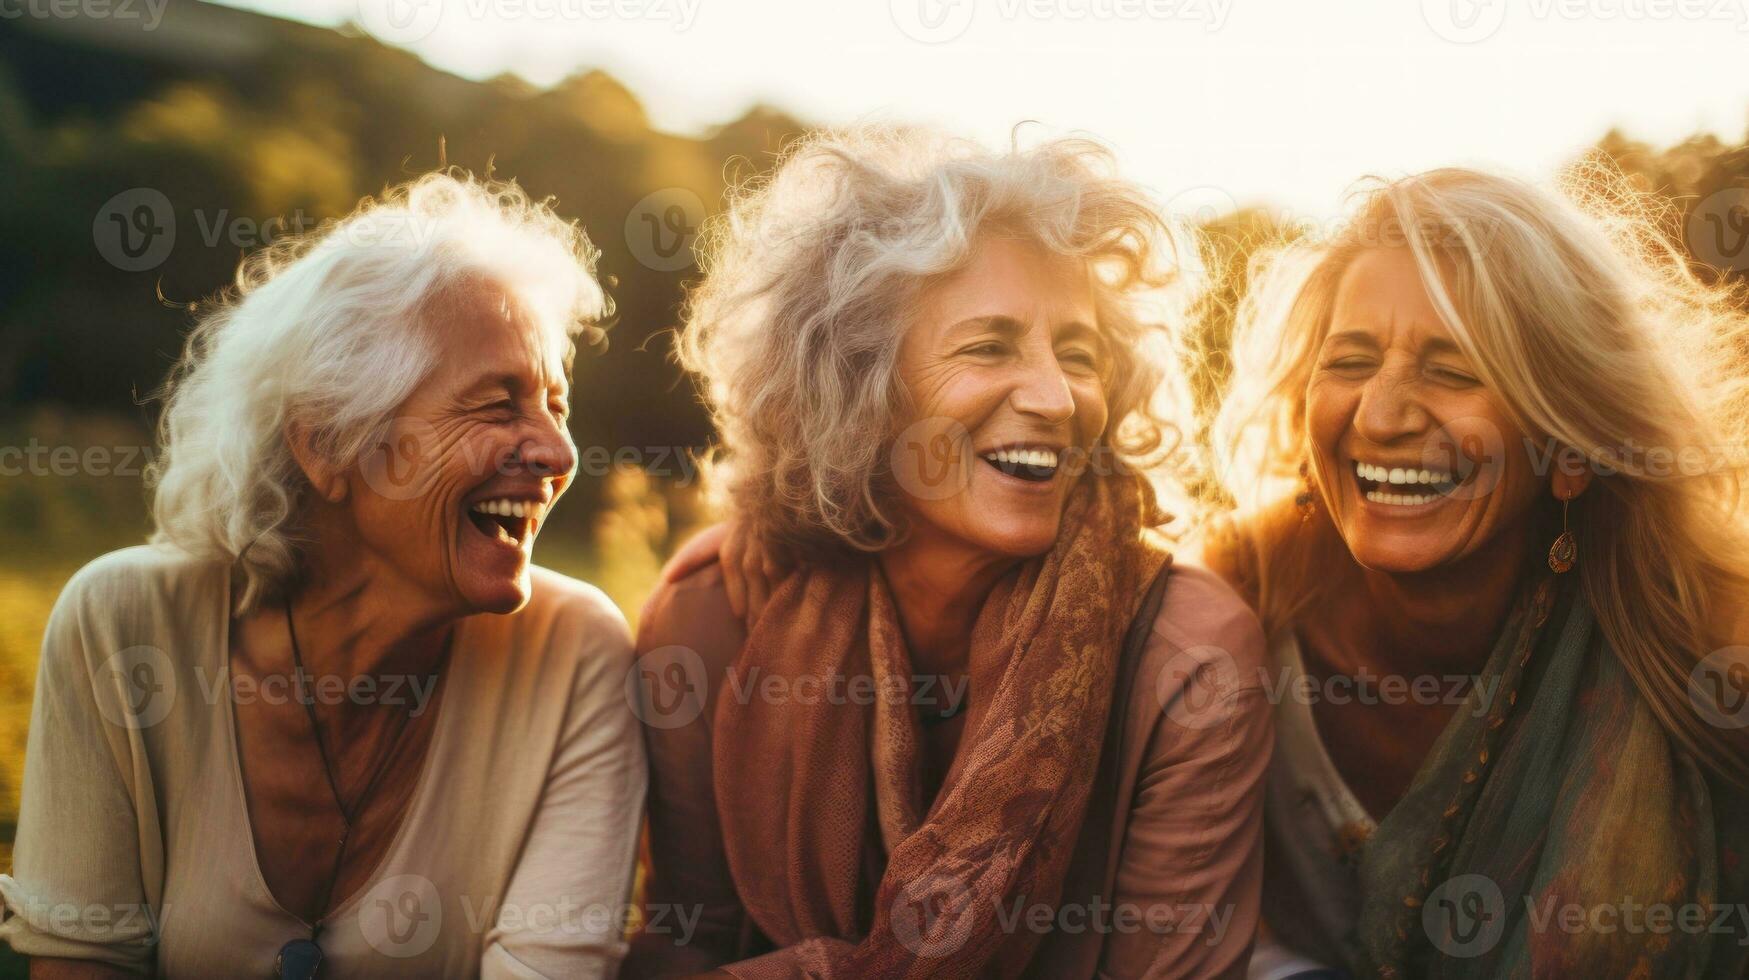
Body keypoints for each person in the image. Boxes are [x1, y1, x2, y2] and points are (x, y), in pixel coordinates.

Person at [625, 127, 1273, 979]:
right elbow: (687, 942)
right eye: (987, 346)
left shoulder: (1189, 655)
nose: (1053, 396)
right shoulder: (715, 614)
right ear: (859, 387)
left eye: (1076, 354)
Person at [0, 173, 646, 978]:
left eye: (557, 405)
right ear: (330, 444)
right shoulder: (123, 623)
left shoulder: (574, 656)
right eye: (497, 405)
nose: (558, 453)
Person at [1204, 166, 1749, 979]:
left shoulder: (1699, 627)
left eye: (1452, 371)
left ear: (1568, 450)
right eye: (1349, 361)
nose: (1381, 415)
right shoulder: (1230, 602)